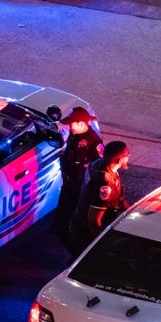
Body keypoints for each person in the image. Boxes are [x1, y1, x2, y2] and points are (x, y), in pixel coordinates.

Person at [52, 106, 103, 251]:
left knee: (80, 228)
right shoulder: (74, 137)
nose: (70, 126)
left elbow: (100, 171)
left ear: (82, 123)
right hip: (69, 187)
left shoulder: (94, 143)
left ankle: (78, 256)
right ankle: (75, 253)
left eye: (72, 123)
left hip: (82, 192)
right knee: (59, 226)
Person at [69, 140, 130, 257]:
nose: (128, 158)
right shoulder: (105, 185)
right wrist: (101, 245)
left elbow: (119, 200)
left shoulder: (98, 164)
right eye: (127, 155)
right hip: (87, 234)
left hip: (79, 223)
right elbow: (93, 221)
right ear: (119, 160)